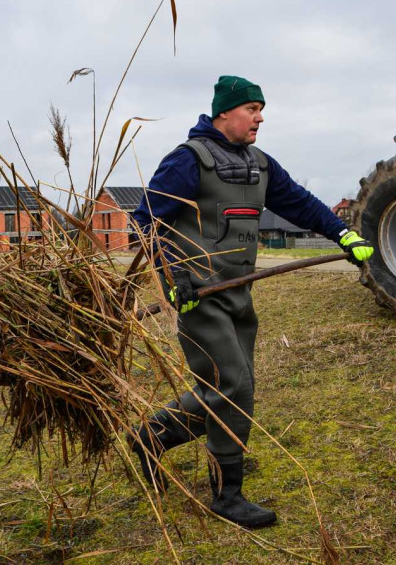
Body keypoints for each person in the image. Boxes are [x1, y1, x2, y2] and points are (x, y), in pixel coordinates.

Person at [130, 75, 374, 528]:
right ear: (224, 112)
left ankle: (152, 436)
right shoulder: (189, 161)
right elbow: (145, 222)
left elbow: (300, 203)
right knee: (231, 387)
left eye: (262, 109)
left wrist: (342, 233)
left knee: (235, 390)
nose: (260, 117)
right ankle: (227, 495)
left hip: (238, 295)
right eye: (252, 109)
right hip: (198, 298)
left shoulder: (260, 164)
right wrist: (173, 277)